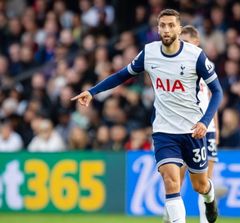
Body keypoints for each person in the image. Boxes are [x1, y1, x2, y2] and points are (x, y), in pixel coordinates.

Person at [71, 9, 223, 223]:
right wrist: (92, 91)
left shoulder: (195, 56)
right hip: (164, 131)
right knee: (171, 181)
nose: (167, 29)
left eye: (171, 25)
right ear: (157, 28)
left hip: (192, 131)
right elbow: (122, 75)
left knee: (200, 184)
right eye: (163, 25)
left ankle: (210, 196)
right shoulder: (149, 53)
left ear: (179, 28)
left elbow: (217, 91)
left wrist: (204, 122)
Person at [168, 25, 219, 223]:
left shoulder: (205, 64)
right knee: (176, 179)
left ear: (196, 42)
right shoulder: (175, 65)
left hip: (207, 128)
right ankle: (170, 216)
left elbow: (214, 97)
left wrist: (215, 128)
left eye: (187, 42)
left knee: (204, 181)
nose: (184, 46)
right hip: (185, 127)